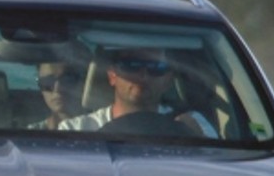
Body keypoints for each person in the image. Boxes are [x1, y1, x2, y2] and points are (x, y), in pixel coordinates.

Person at [57, 48, 215, 136]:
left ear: (168, 80)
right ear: (112, 76)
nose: (143, 75)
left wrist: (195, 138)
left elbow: (215, 173)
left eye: (156, 67)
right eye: (131, 65)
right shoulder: (77, 130)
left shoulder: (193, 123)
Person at [29, 59, 83, 129]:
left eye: (67, 79)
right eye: (47, 82)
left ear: (82, 83)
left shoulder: (96, 127)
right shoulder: (30, 133)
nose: (57, 89)